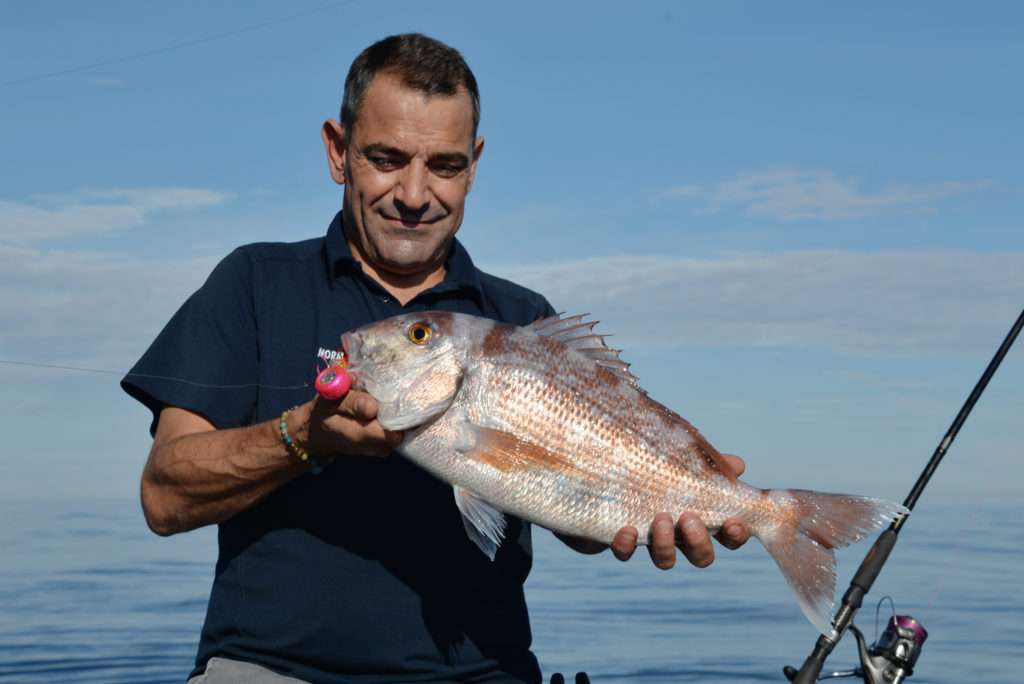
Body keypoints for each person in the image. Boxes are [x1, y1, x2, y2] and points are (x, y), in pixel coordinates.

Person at [123, 33, 751, 684]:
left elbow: (583, 526)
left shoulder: (524, 317)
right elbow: (163, 497)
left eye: (445, 165)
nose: (416, 194)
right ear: (338, 152)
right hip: (273, 670)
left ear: (474, 165)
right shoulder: (256, 282)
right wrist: (304, 438)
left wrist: (663, 504)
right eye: (387, 159)